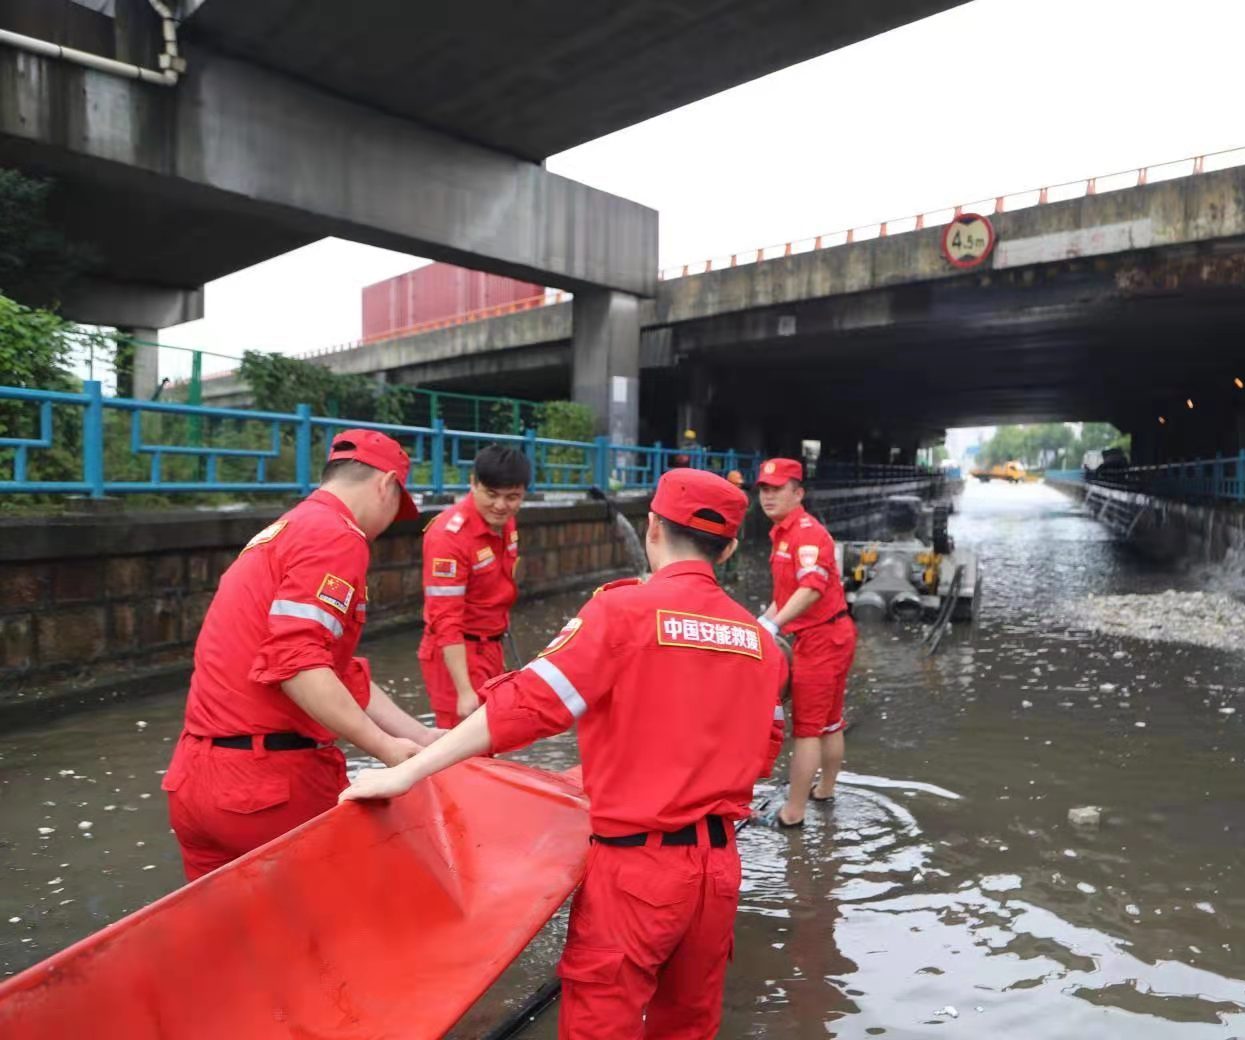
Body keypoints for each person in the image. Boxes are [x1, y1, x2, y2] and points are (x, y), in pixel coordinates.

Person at [341, 468, 787, 1040]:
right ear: (727, 549)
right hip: (718, 872)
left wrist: (408, 771)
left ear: (652, 528)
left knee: (602, 1020)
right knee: (689, 1023)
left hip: (635, 871)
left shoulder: (622, 613)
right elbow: (763, 751)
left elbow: (523, 708)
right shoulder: (760, 642)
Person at [161, 430, 440, 881]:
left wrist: (422, 739)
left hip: (195, 782)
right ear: (386, 485)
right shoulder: (337, 537)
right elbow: (299, 665)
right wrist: (387, 749)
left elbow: (335, 671)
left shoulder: (284, 531)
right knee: (355, 922)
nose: (390, 523)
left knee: (230, 939)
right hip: (268, 789)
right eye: (396, 509)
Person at [754, 457, 857, 828]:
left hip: (822, 639)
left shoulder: (806, 534)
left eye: (777, 489)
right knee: (830, 722)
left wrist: (773, 625)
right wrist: (763, 622)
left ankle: (793, 812)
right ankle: (825, 790)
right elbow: (788, 593)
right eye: (763, 489)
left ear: (798, 492)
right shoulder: (783, 532)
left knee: (809, 728)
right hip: (829, 633)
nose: (768, 497)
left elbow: (811, 588)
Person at [418, 445, 530, 728]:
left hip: (491, 645)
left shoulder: (505, 522)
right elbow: (446, 619)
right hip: (456, 654)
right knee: (458, 749)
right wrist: (464, 689)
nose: (501, 506)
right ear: (473, 483)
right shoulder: (450, 537)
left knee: (492, 736)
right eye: (491, 494)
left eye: (512, 497)